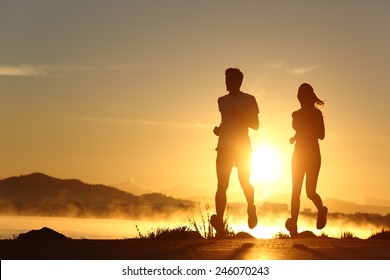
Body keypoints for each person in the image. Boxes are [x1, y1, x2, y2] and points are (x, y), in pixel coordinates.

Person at [211, 68, 259, 238]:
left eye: (229, 79)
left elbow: (255, 125)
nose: (226, 81)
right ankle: (220, 229)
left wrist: (240, 116)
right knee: (221, 185)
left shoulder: (249, 99)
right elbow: (226, 122)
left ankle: (251, 208)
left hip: (242, 148)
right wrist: (219, 129)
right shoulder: (221, 100)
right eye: (225, 78)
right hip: (223, 147)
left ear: (238, 81)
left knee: (244, 182)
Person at [285, 83, 328, 237]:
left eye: (302, 94)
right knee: (295, 191)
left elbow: (321, 135)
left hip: (313, 155)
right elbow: (300, 131)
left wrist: (307, 125)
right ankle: (294, 228)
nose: (300, 97)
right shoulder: (295, 114)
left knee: (310, 192)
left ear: (308, 96)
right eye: (298, 94)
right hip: (298, 154)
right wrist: (294, 137)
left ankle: (321, 210)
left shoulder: (316, 114)